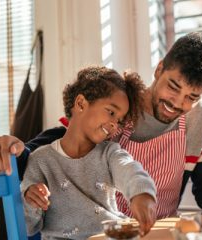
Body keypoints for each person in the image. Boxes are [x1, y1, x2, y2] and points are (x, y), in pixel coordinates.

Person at [0, 32, 202, 220]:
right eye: (173, 87)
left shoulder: (200, 118)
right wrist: (15, 150)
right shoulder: (119, 104)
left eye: (191, 97)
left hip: (157, 232)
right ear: (159, 68)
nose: (177, 103)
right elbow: (63, 144)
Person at [21, 66, 157, 239]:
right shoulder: (40, 160)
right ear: (81, 104)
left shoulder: (110, 153)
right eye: (111, 112)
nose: (115, 124)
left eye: (119, 120)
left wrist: (142, 193)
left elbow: (129, 169)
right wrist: (31, 202)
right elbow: (28, 227)